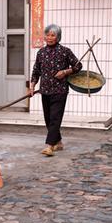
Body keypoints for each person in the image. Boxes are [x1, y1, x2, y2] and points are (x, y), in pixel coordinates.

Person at [29, 24, 82, 157]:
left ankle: (49, 146)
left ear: (58, 37)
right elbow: (36, 71)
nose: (50, 37)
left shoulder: (65, 51)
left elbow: (78, 66)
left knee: (55, 118)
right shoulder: (41, 52)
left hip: (60, 90)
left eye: (53, 35)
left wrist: (65, 72)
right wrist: (32, 86)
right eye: (48, 35)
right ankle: (58, 142)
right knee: (48, 119)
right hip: (45, 90)